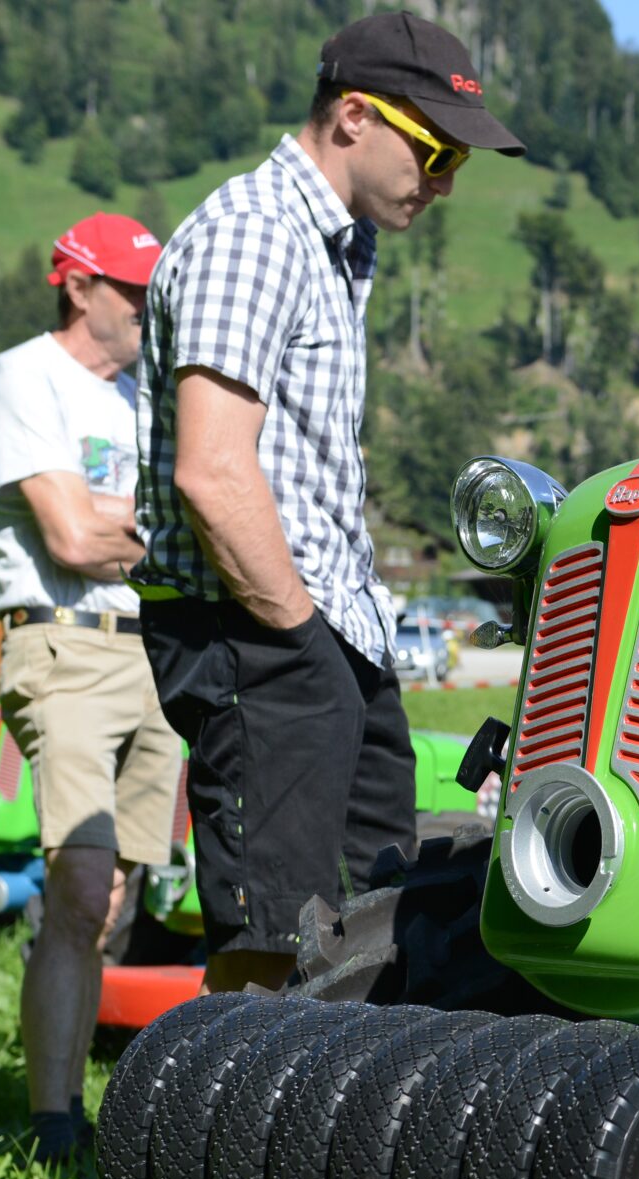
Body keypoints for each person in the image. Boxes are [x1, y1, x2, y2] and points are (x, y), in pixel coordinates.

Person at [135, 10, 523, 994]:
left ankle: (349, 1098)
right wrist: (299, 633)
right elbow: (212, 470)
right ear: (355, 116)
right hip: (257, 625)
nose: (444, 182)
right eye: (435, 151)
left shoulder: (337, 245)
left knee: (381, 921)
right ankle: (236, 1101)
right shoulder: (255, 235)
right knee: (277, 941)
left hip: (328, 627)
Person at [0, 211, 170, 1163]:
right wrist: (163, 525)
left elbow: (120, 523)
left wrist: (127, 519)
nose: (146, 307)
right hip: (67, 643)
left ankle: (79, 1101)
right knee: (83, 885)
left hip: (149, 650)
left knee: (115, 894)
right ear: (78, 285)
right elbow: (75, 539)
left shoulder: (143, 397)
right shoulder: (22, 376)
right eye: (132, 289)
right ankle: (51, 1123)